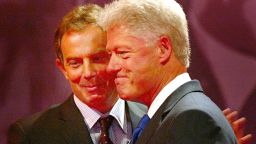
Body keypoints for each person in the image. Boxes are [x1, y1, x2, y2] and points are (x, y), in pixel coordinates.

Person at [97, 0, 250, 143]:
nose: (111, 67)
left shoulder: (192, 118)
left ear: (163, 49)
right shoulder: (176, 114)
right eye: (110, 55)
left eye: (123, 52)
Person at [7, 4, 146, 144]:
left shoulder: (154, 117)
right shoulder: (31, 134)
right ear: (63, 69)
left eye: (97, 59)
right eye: (75, 63)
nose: (88, 73)